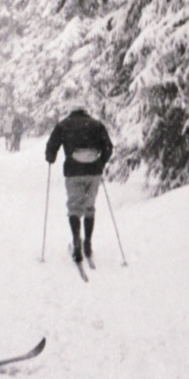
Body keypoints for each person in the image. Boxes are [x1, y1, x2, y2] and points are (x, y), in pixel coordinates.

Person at [45, 103, 113, 265]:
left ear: (71, 110)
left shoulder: (63, 125)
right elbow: (108, 147)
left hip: (73, 171)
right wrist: (100, 162)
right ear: (85, 110)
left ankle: (76, 240)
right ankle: (87, 243)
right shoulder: (97, 125)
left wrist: (50, 157)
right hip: (93, 172)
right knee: (89, 207)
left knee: (74, 207)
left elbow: (51, 146)